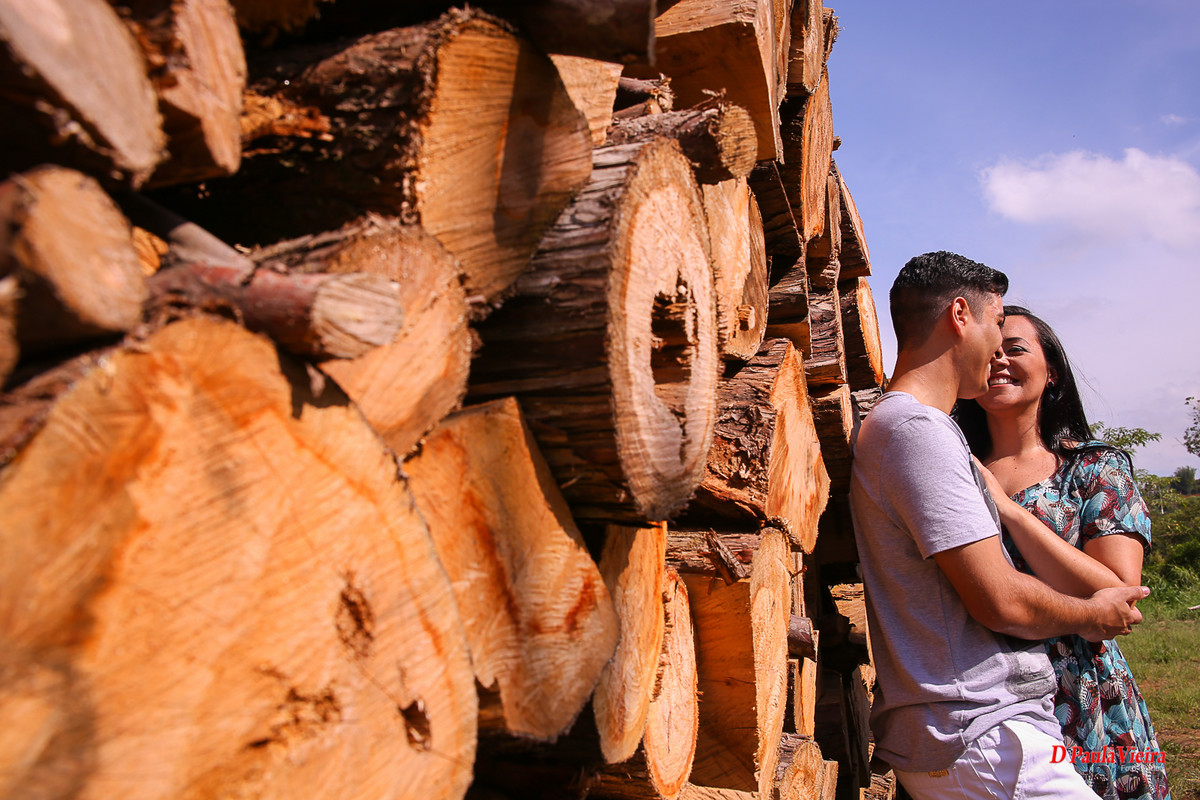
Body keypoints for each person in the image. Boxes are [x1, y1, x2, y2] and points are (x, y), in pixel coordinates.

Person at [849, 251, 1149, 800]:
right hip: (985, 731)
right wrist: (1089, 614)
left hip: (984, 729)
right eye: (996, 323)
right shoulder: (919, 431)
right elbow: (999, 601)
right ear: (961, 314)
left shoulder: (915, 429)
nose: (996, 349)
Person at [953, 306, 1171, 800]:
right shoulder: (951, 463)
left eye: (1016, 348)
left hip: (1077, 687)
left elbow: (1118, 593)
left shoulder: (1092, 467)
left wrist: (1009, 510)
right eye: (991, 349)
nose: (1000, 360)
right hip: (979, 693)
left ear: (1052, 372)